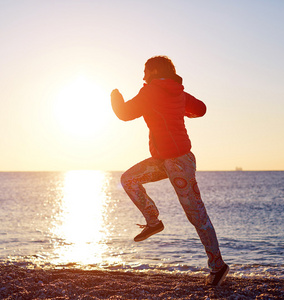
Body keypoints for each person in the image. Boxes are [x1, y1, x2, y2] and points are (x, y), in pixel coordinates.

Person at [110, 56, 229, 286]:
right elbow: (201, 109)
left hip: (179, 163)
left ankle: (218, 266)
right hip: (164, 160)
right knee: (129, 179)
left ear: (154, 71)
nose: (142, 76)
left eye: (145, 71)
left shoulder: (151, 91)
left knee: (197, 215)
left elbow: (124, 113)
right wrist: (180, 109)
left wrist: (115, 96)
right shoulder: (178, 92)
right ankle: (153, 221)